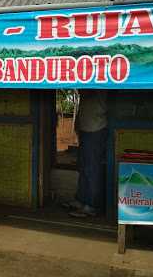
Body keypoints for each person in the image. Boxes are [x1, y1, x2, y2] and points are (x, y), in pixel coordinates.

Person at [66, 90, 108, 218]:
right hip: (86, 128)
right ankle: (81, 199)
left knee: (92, 168)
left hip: (96, 128)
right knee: (84, 167)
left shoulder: (101, 82)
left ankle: (91, 205)